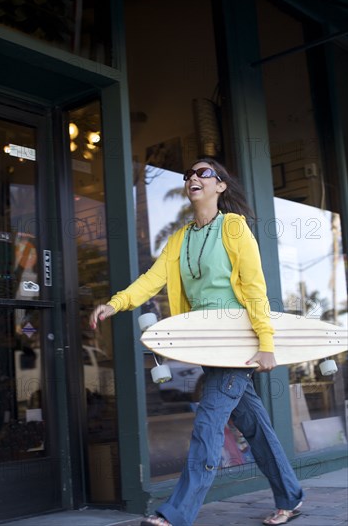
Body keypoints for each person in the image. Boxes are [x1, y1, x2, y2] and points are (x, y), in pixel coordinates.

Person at [90, 158, 304, 526]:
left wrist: (266, 343)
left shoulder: (233, 227)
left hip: (237, 344)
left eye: (203, 173)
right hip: (204, 344)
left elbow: (254, 289)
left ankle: (178, 512)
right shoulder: (180, 239)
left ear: (220, 186)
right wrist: (114, 304)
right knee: (254, 426)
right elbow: (150, 280)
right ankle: (291, 496)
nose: (193, 177)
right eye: (189, 174)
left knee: (207, 421)